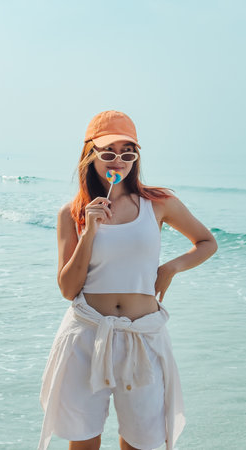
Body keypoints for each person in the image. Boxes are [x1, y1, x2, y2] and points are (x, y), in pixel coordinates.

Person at [37, 110, 218, 450]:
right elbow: (67, 289)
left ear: (136, 158)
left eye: (127, 152)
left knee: (143, 442)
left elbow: (207, 242)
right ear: (90, 156)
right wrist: (90, 231)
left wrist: (169, 269)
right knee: (83, 441)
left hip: (142, 337)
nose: (118, 160)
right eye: (108, 152)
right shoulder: (72, 213)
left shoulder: (159, 203)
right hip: (86, 334)